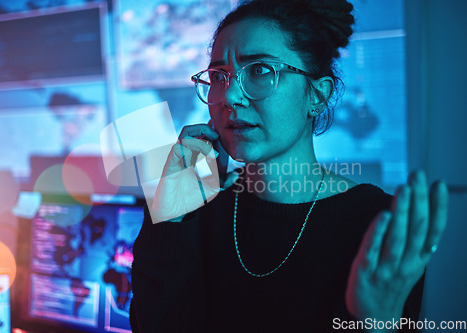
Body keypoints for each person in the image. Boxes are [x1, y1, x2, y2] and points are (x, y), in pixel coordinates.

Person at [130, 0, 448, 332]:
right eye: (219, 76)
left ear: (317, 95)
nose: (230, 96)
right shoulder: (196, 209)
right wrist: (167, 217)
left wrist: (377, 325)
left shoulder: (375, 222)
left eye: (259, 71)